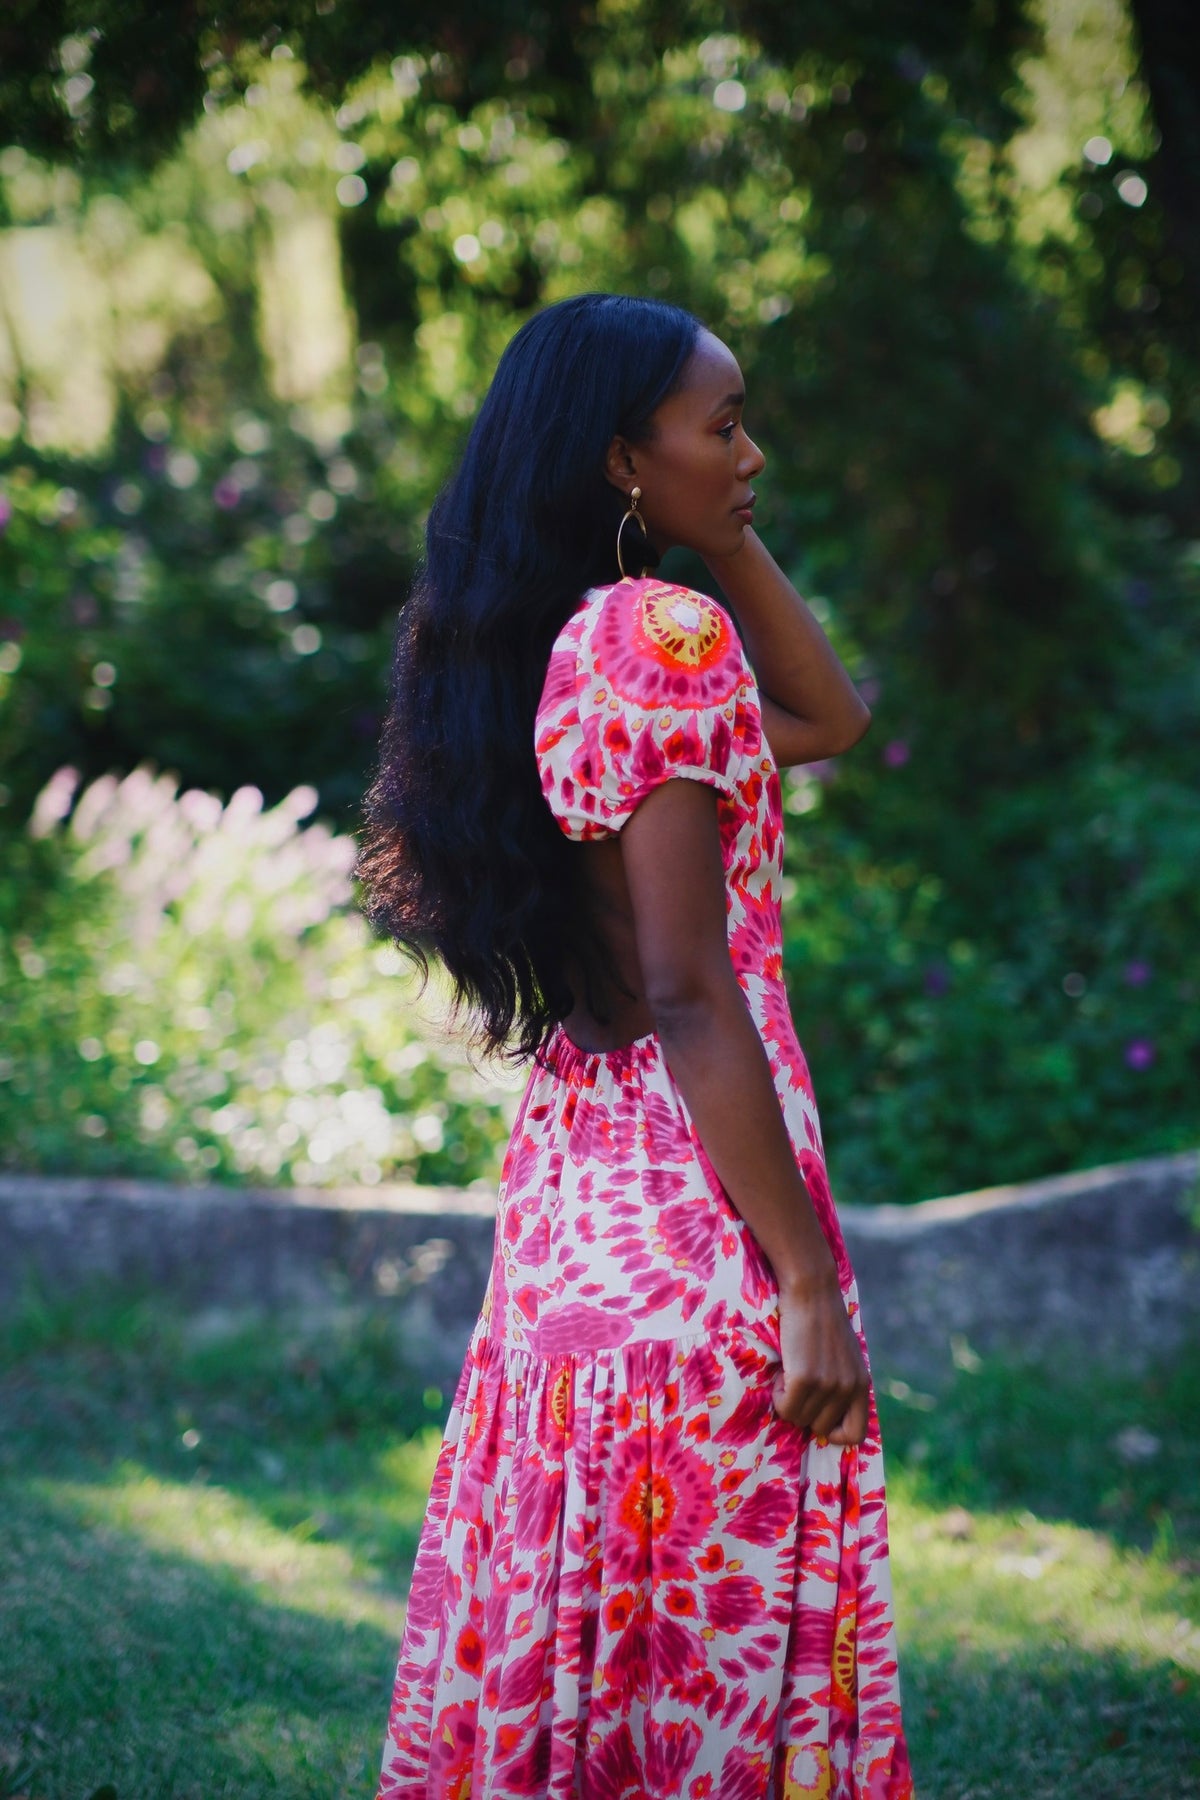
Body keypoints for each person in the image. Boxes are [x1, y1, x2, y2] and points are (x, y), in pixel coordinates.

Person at [359, 292, 914, 1799]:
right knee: (704, 1707)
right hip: (695, 1239)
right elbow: (688, 989)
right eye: (721, 429)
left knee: (585, 1668)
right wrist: (805, 1276)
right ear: (622, 460)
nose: (753, 455)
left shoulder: (550, 648)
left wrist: (717, 533)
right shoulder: (655, 639)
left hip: (572, 1243)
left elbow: (826, 714)